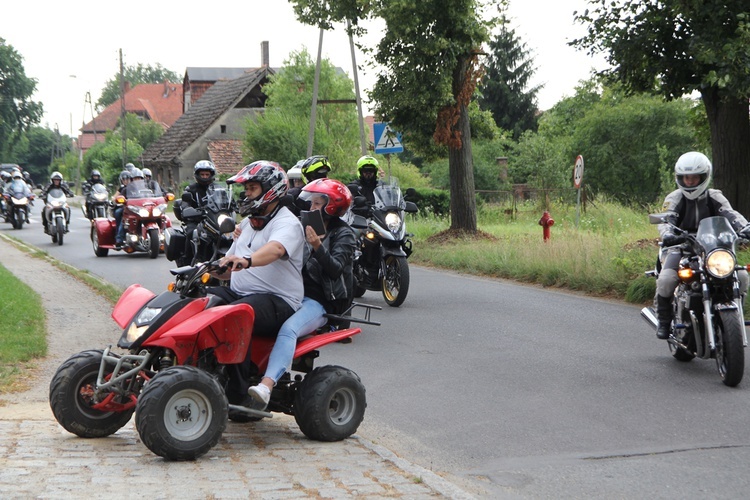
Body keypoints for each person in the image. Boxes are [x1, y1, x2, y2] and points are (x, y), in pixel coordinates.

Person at [246, 178, 357, 409]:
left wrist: (317, 245)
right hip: (291, 294)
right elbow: (275, 242)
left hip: (321, 301)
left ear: (333, 206)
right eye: (311, 202)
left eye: (318, 203)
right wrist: (243, 232)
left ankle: (266, 386)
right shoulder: (302, 225)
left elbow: (336, 270)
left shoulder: (343, 234)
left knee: (289, 329)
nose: (312, 207)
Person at [207, 160, 305, 407]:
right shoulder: (248, 224)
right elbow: (233, 266)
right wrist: (215, 269)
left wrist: (247, 261)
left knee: (239, 314)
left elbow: (275, 250)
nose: (246, 193)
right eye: (246, 188)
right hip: (242, 293)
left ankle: (238, 396)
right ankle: (204, 373)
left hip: (279, 301)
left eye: (251, 188)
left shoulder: (287, 223)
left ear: (270, 189)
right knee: (204, 303)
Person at [654, 151, 750, 339]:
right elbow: (666, 220)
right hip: (681, 247)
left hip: (712, 247)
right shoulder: (674, 198)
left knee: (741, 275)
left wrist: (746, 227)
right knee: (666, 279)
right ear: (679, 178)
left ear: (704, 177)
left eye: (694, 178)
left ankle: (736, 312)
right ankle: (664, 321)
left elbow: (731, 214)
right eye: (686, 178)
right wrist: (668, 234)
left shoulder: (715, 196)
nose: (690, 182)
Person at [173, 160, 218, 264]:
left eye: (207, 174)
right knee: (191, 233)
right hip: (196, 220)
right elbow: (185, 204)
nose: (205, 176)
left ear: (211, 174)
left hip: (214, 220)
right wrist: (188, 210)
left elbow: (228, 201)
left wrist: (235, 206)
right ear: (197, 175)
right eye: (202, 174)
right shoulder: (191, 189)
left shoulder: (218, 188)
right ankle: (187, 259)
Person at [113, 170, 132, 247]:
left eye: (127, 179)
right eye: (124, 179)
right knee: (120, 215)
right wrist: (114, 200)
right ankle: (119, 238)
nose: (126, 181)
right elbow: (116, 197)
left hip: (136, 208)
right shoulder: (122, 189)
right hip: (125, 207)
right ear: (121, 180)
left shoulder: (135, 187)